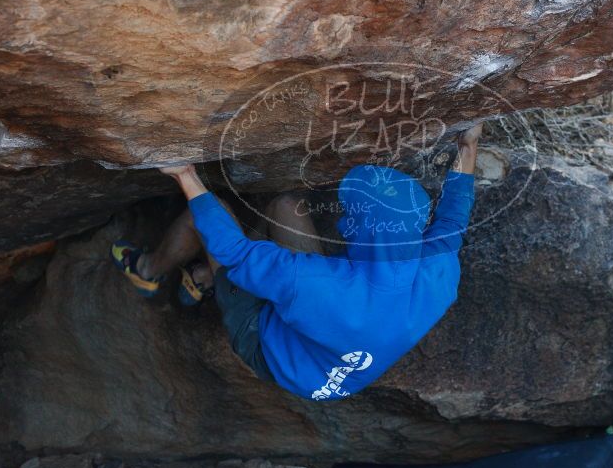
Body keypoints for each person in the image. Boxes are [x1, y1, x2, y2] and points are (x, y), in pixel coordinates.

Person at [111, 123, 483, 401]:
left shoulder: (321, 285)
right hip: (334, 338)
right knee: (286, 208)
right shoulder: (438, 271)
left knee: (207, 218)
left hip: (281, 355)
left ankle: (149, 272)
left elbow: (234, 252)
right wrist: (469, 144)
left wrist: (185, 174)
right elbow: (453, 218)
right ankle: (208, 275)